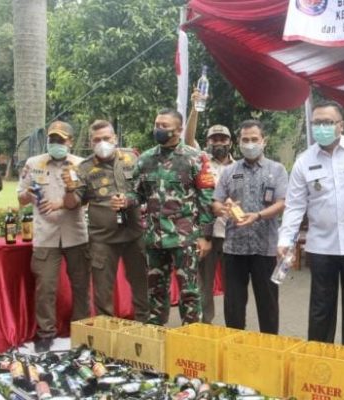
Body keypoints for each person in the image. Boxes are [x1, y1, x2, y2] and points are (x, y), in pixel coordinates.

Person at [278, 100, 344, 347]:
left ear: (341, 125)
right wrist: (285, 240)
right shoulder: (304, 161)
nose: (321, 128)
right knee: (320, 311)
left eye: (327, 122)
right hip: (321, 247)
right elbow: (295, 205)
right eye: (317, 123)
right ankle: (319, 364)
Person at [123, 109, 215, 325]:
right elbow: (137, 193)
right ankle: (156, 336)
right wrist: (125, 200)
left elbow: (206, 199)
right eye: (157, 124)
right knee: (155, 291)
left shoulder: (195, 159)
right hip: (155, 239)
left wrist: (205, 236)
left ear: (179, 129)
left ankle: (191, 338)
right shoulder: (145, 159)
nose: (159, 129)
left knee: (189, 292)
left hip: (185, 239)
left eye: (164, 125)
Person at [63, 120, 149, 322]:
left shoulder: (133, 158)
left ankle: (146, 329)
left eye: (106, 138)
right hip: (102, 240)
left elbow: (146, 190)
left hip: (134, 235)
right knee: (102, 293)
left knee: (142, 285)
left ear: (115, 138)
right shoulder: (83, 168)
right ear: (91, 143)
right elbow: (73, 203)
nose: (102, 143)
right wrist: (68, 189)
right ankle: (106, 340)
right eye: (97, 140)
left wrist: (128, 200)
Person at [17, 121, 90, 352]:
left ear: (70, 141)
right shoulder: (33, 163)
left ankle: (81, 330)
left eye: (60, 140)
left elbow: (83, 198)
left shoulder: (81, 165)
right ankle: (46, 333)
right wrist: (27, 195)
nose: (55, 144)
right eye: (52, 139)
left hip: (76, 234)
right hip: (46, 234)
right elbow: (20, 197)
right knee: (45, 286)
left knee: (80, 285)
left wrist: (62, 201)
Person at [213, 120, 287, 333]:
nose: (250, 144)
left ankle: (270, 348)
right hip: (234, 249)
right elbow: (216, 202)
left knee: (268, 306)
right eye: (245, 140)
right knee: (233, 307)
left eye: (254, 139)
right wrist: (223, 208)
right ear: (239, 142)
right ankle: (235, 348)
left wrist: (258, 215)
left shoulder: (277, 170)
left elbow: (283, 203)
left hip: (265, 248)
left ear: (264, 141)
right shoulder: (229, 171)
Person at [184, 90, 236, 323]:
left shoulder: (239, 167)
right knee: (204, 283)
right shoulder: (200, 160)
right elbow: (187, 138)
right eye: (214, 139)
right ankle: (207, 323)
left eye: (222, 139)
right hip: (206, 233)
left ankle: (232, 324)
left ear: (230, 142)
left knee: (233, 283)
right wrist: (195, 107)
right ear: (207, 143)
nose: (218, 143)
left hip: (233, 232)